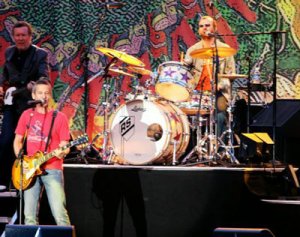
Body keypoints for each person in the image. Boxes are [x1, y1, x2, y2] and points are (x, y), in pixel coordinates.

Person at [13, 79, 71, 225]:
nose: (43, 96)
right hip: (30, 170)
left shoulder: (60, 117)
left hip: (52, 168)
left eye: (46, 93)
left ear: (50, 96)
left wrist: (62, 151)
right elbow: (17, 141)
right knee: (29, 218)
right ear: (33, 96)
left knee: (60, 215)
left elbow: (65, 144)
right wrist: (22, 162)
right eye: (40, 93)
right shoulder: (27, 115)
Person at [0, 21, 49, 189]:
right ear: (13, 37)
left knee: (27, 144)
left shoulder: (39, 54)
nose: (20, 38)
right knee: (6, 140)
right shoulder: (9, 52)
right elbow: (5, 72)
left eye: (23, 35)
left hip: (29, 105)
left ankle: (23, 180)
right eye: (17, 35)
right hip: (11, 104)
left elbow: (44, 78)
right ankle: (3, 180)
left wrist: (34, 86)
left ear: (30, 37)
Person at [184, 15, 236, 138]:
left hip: (219, 94)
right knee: (185, 115)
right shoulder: (193, 50)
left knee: (219, 115)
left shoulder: (224, 49)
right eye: (201, 26)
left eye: (207, 25)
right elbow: (185, 71)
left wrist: (220, 84)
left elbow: (231, 74)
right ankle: (192, 146)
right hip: (197, 93)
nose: (204, 28)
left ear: (215, 28)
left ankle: (216, 147)